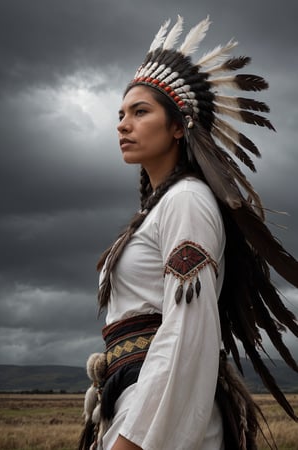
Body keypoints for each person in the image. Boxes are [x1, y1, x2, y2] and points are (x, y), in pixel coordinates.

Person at [79, 16, 298, 450]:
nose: (123, 124)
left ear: (179, 126)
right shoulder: (160, 208)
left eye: (140, 112)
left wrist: (132, 441)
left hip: (159, 416)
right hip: (134, 400)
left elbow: (186, 329)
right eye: (121, 114)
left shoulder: (187, 200)